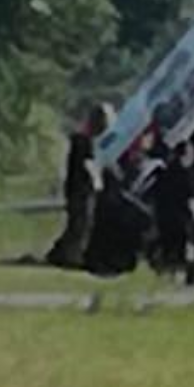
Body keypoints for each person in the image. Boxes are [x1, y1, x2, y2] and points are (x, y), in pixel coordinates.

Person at [45, 104, 112, 269]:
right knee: (80, 222)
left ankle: (63, 253)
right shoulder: (83, 141)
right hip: (80, 189)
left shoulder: (88, 141)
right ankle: (71, 255)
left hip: (82, 188)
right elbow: (86, 166)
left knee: (81, 223)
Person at [150, 139, 194, 276]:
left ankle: (164, 273)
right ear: (186, 155)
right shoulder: (186, 174)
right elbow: (192, 199)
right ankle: (179, 275)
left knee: (167, 246)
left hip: (163, 216)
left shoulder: (163, 172)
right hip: (180, 219)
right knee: (181, 250)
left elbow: (156, 196)